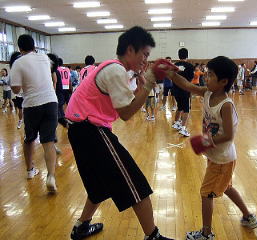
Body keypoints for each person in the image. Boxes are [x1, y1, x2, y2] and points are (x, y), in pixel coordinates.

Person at [65, 26, 174, 240]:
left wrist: (141, 85)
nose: (145, 60)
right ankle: (153, 237)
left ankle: (81, 227)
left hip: (80, 130)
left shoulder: (115, 69)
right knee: (135, 183)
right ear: (130, 50)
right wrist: (150, 82)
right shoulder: (115, 70)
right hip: (90, 130)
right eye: (145, 54)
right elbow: (126, 113)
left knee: (97, 186)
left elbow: (122, 102)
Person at [167, 56, 257, 240]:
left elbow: (229, 135)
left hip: (223, 157)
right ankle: (248, 216)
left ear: (224, 81)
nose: (205, 78)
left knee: (205, 193)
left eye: (210, 75)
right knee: (227, 187)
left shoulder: (226, 105)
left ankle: (206, 233)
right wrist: (171, 74)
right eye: (207, 74)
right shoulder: (208, 93)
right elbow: (188, 86)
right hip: (217, 156)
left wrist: (205, 141)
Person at [10, 34, 58, 192]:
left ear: (19, 48)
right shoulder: (44, 58)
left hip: (32, 104)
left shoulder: (18, 62)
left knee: (30, 139)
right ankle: (50, 176)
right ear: (34, 46)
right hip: (51, 102)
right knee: (48, 142)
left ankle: (30, 171)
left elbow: (16, 89)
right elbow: (52, 70)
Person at [171, 48, 194, 137]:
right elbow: (191, 79)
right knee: (186, 109)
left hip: (175, 90)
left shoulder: (174, 65)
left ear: (178, 55)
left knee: (180, 107)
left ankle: (176, 123)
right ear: (187, 55)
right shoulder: (190, 66)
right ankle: (183, 128)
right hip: (185, 90)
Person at [9, 52, 24, 129]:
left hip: (28, 95)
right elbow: (15, 89)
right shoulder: (13, 72)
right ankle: (20, 120)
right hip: (19, 95)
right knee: (20, 109)